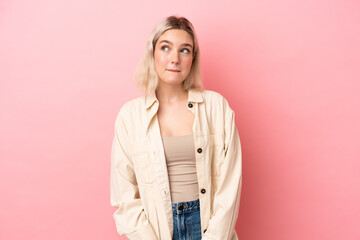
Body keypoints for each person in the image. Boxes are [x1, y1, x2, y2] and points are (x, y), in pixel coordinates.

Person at [110, 15, 242, 240]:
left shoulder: (216, 107)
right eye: (165, 48)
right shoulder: (129, 117)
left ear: (193, 58)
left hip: (209, 226)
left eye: (184, 50)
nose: (174, 59)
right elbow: (124, 195)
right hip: (156, 229)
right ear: (152, 54)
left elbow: (231, 185)